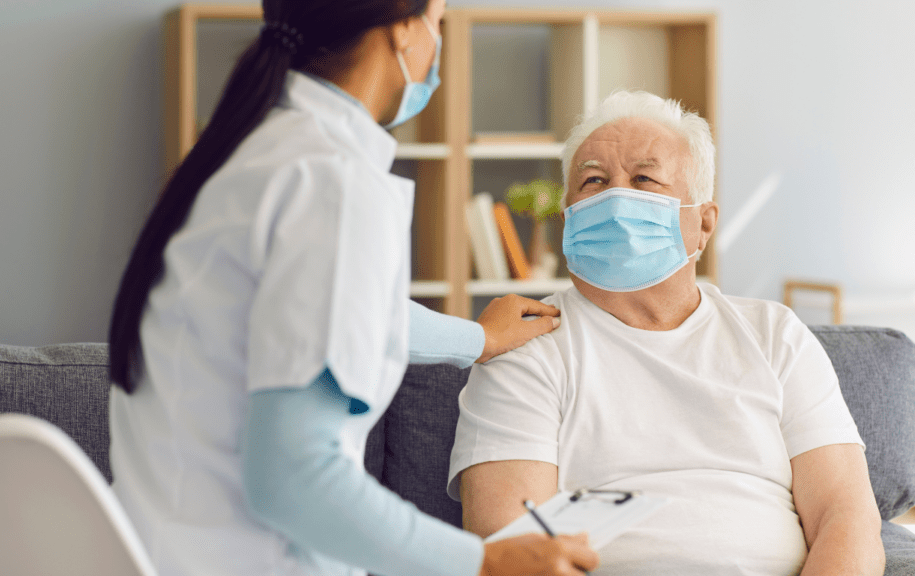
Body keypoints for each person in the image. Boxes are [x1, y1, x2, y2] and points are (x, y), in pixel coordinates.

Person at [106, 1, 600, 575]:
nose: (438, 43)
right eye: (438, 22)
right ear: (403, 33)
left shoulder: (255, 155)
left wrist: (476, 339)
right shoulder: (333, 184)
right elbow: (294, 479)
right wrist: (485, 562)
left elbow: (332, 314)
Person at [448, 90, 886, 575]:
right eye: (593, 180)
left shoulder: (774, 334)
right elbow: (510, 546)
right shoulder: (525, 343)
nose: (616, 198)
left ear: (702, 224)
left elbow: (846, 518)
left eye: (644, 179)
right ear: (567, 217)